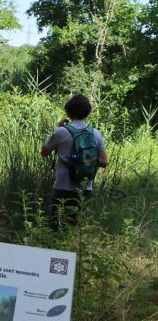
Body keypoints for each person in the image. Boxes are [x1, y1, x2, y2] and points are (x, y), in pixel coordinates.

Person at [41, 93, 108, 228]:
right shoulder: (95, 133)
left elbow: (44, 152)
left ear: (69, 112)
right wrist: (87, 162)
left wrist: (58, 128)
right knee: (76, 227)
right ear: (87, 112)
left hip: (62, 187)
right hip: (84, 188)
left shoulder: (61, 132)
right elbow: (104, 162)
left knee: (56, 226)